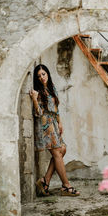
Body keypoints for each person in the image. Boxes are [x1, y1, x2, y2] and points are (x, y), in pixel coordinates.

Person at [29, 64, 80, 197]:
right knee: (57, 153)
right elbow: (39, 113)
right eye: (39, 76)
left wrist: (60, 122)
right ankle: (66, 186)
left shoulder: (51, 88)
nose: (41, 77)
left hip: (54, 124)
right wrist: (34, 99)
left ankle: (45, 181)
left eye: (43, 74)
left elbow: (56, 107)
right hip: (45, 126)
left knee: (62, 150)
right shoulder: (38, 92)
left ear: (48, 74)